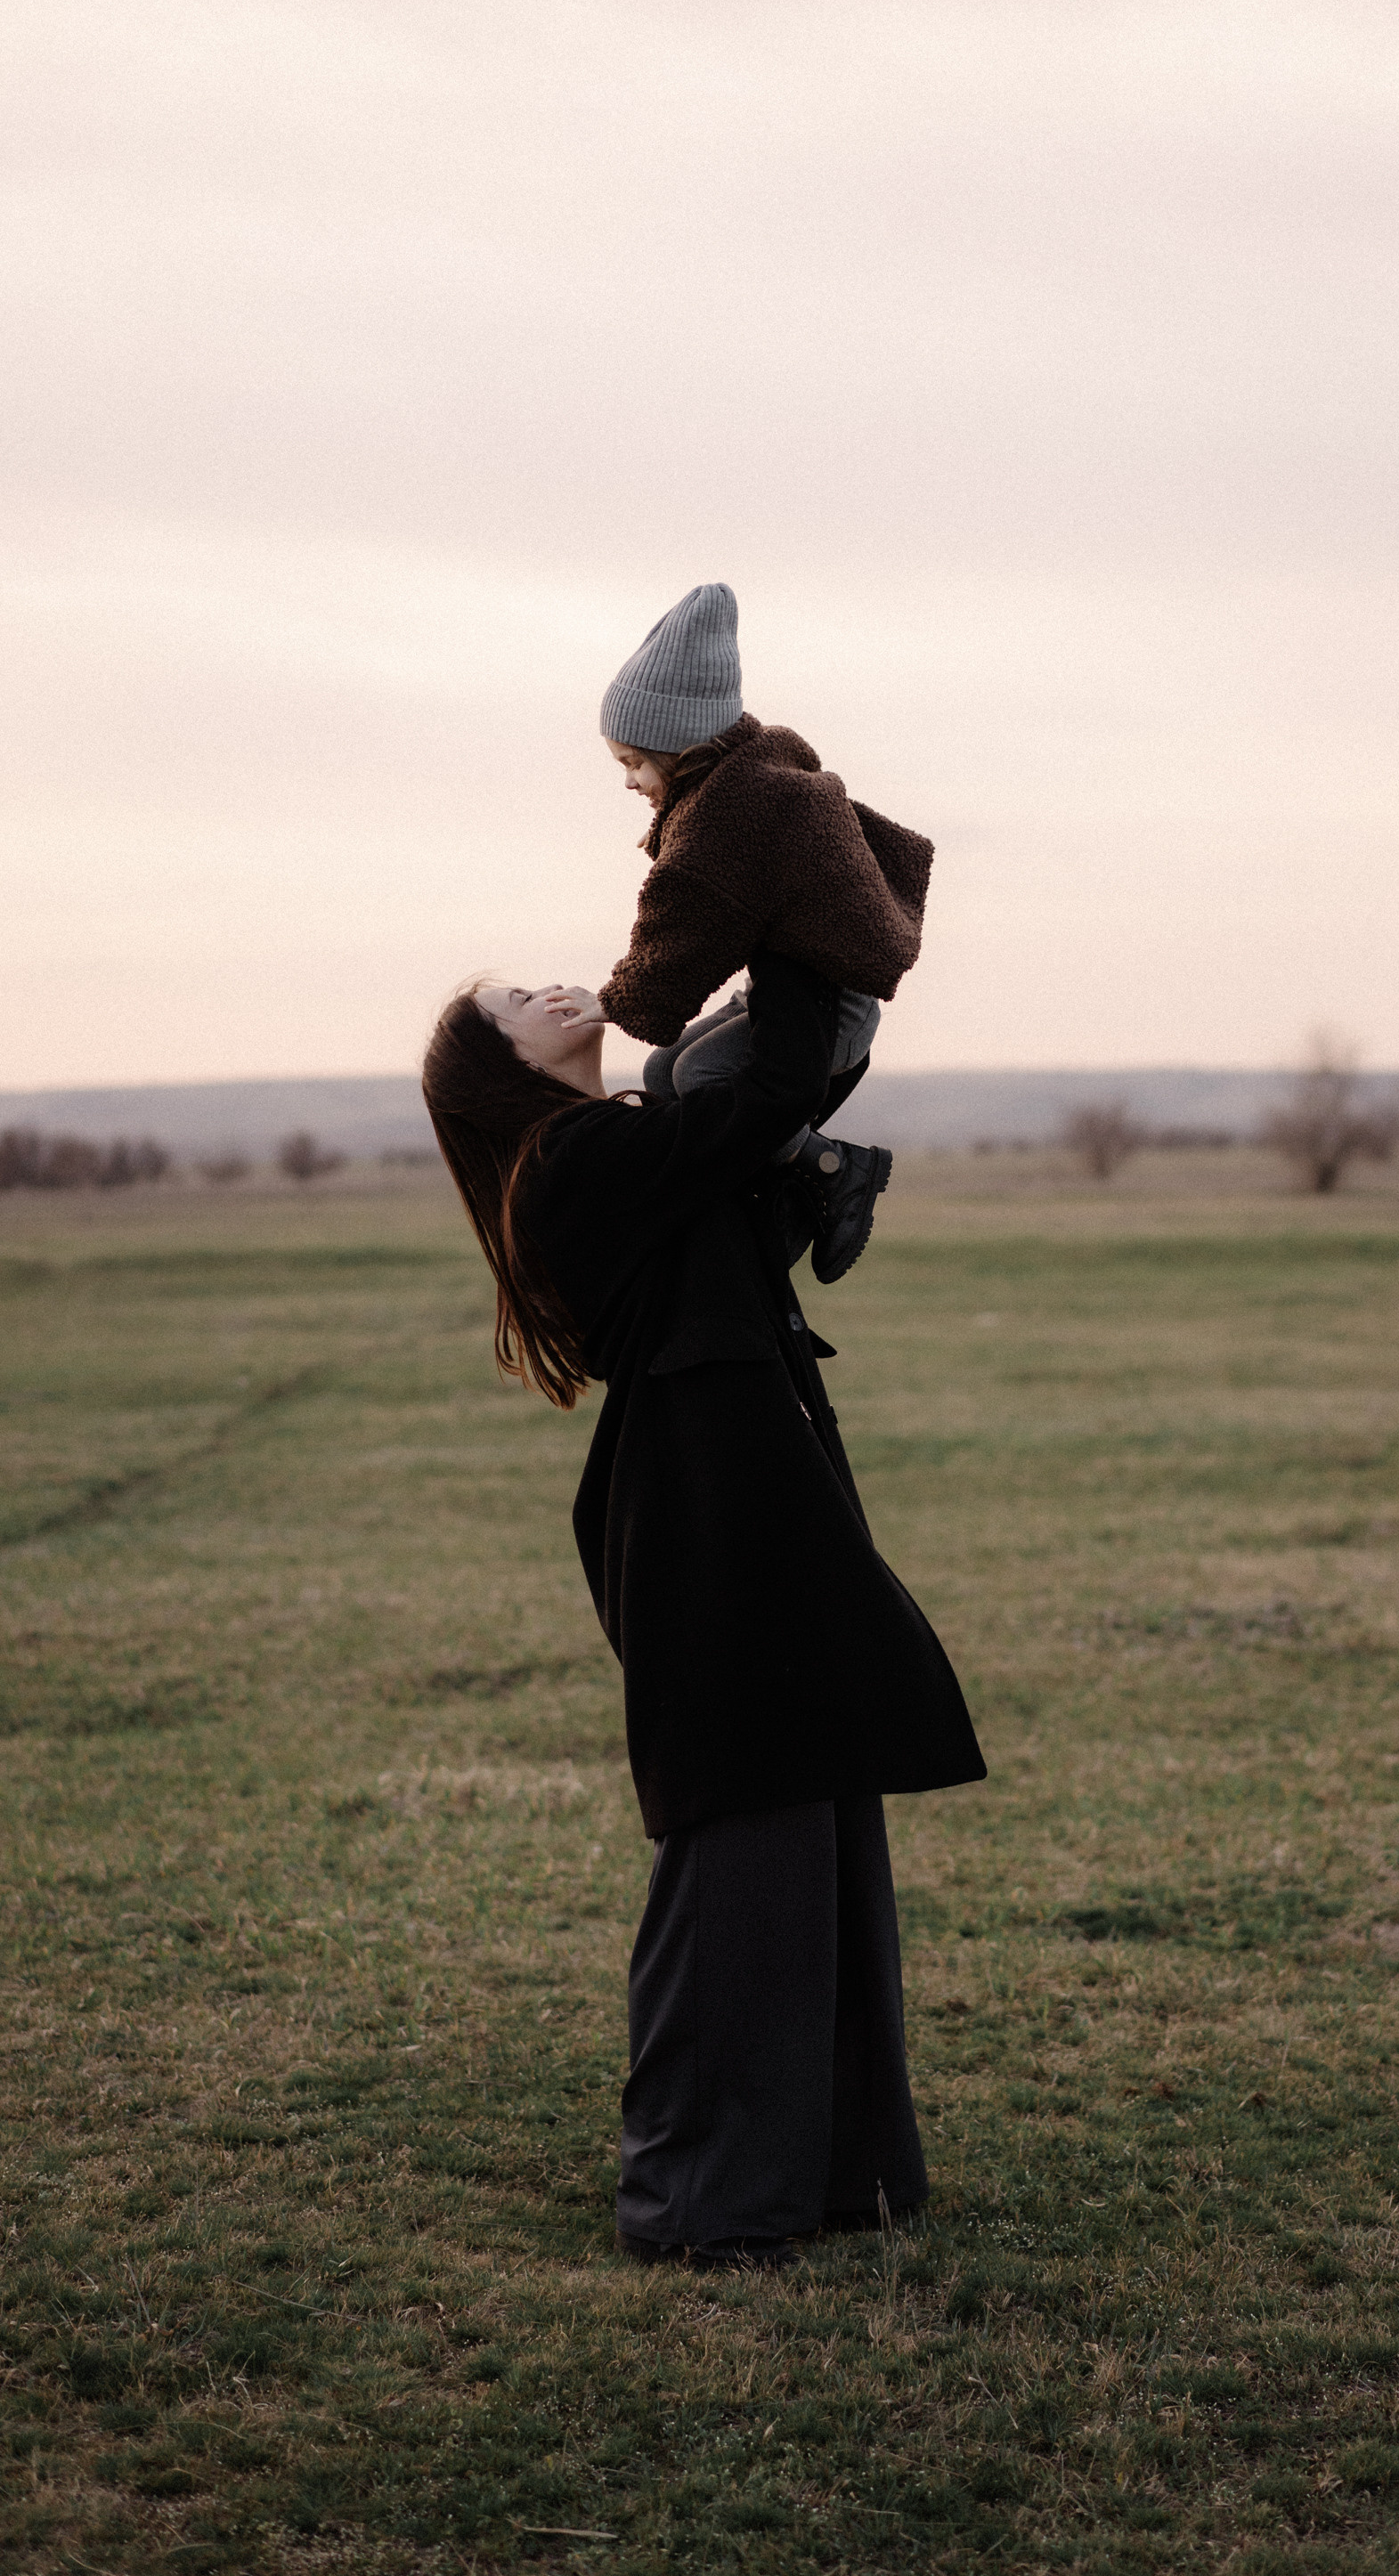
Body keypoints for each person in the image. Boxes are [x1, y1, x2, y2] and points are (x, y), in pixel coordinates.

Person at [421, 953, 986, 2269]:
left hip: (745, 1474)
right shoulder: (572, 1163)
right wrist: (796, 926)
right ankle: (700, 2197)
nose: (556, 995)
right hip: (702, 1502)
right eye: (521, 1006)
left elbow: (779, 1101)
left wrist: (826, 952)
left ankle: (836, 2172)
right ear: (499, 1067)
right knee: (743, 1821)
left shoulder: (623, 1143)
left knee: (814, 1801)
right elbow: (775, 1083)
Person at [586, 581, 933, 1282]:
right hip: (784, 993)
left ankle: (836, 1169)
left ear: (679, 745)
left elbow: (682, 927)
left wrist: (614, 1001)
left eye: (633, 763)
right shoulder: (750, 769)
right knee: (662, 1073)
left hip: (832, 1011)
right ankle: (767, 1183)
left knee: (699, 1074)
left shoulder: (732, 819)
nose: (628, 783)